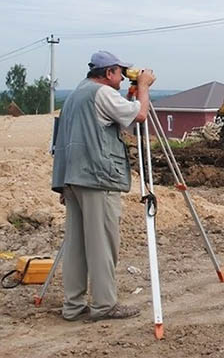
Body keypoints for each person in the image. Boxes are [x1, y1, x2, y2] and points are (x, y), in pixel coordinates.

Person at [51, 50, 155, 321]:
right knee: (101, 245)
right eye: (120, 72)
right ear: (108, 73)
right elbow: (140, 116)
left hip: (71, 178)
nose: (123, 77)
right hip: (97, 178)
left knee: (76, 245)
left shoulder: (76, 94)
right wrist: (143, 87)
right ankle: (104, 305)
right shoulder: (103, 93)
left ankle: (73, 306)